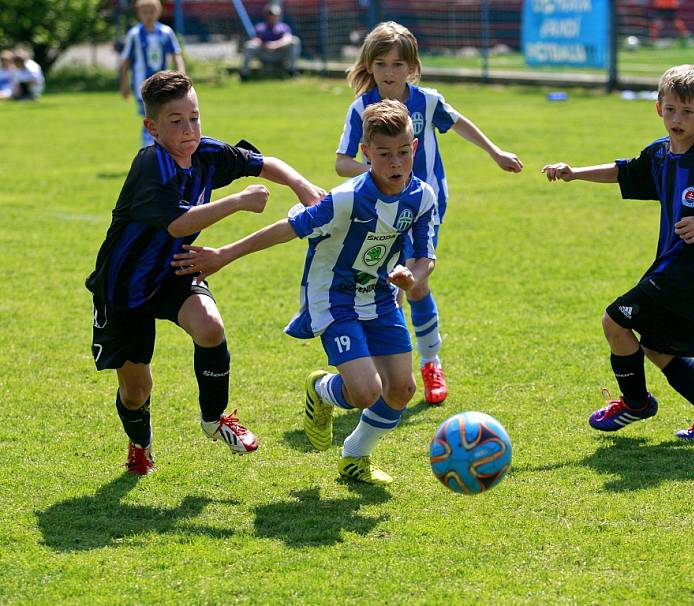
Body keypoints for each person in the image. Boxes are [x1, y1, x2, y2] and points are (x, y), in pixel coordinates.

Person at [172, 99, 438, 484]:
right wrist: (225, 254)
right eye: (384, 154)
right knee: (365, 391)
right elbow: (287, 228)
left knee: (401, 389)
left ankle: (355, 456)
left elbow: (425, 256)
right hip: (335, 297)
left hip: (380, 297)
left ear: (413, 148)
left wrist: (410, 276)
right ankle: (322, 388)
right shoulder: (347, 198)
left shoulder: (422, 197)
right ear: (366, 153)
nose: (395, 163)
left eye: (402, 152)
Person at [86, 71, 326, 475]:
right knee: (135, 390)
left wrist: (302, 186)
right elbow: (178, 224)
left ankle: (214, 420)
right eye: (176, 121)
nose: (189, 129)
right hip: (124, 288)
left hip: (176, 270)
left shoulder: (207, 154)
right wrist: (238, 201)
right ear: (152, 127)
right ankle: (139, 444)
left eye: (194, 117)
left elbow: (265, 163)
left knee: (210, 327)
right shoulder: (150, 165)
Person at [541, 64, 694, 441]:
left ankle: (636, 403)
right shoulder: (660, 155)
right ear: (659, 108)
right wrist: (575, 172)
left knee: (614, 321)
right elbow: (623, 172)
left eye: (688, 112)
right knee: (658, 348)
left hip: (691, 271)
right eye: (671, 109)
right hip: (670, 266)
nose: (677, 118)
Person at [335, 21, 523, 405]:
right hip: (377, 212)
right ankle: (390, 370)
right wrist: (376, 174)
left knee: (415, 283)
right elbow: (342, 163)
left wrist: (496, 152)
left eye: (398, 64)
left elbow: (460, 123)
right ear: (369, 65)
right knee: (389, 287)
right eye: (382, 64)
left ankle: (431, 363)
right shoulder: (362, 108)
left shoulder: (428, 101)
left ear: (412, 67)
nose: (390, 72)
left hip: (425, 207)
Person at [120, 0, 185, 148]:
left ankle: (159, 146)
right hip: (141, 85)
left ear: (159, 11)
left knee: (163, 114)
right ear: (139, 14)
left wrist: (181, 75)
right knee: (150, 115)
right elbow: (125, 61)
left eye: (152, 11)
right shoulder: (134, 34)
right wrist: (124, 83)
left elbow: (176, 55)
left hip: (162, 84)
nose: (149, 15)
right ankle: (149, 148)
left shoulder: (166, 32)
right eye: (145, 12)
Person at [240, 4, 301, 80]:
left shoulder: (283, 27)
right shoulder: (260, 27)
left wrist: (275, 45)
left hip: (280, 53)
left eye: (274, 15)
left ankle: (292, 71)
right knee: (249, 45)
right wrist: (266, 45)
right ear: (266, 15)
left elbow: (287, 38)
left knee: (294, 41)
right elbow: (256, 40)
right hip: (265, 53)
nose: (272, 17)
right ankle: (244, 75)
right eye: (270, 14)